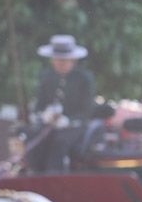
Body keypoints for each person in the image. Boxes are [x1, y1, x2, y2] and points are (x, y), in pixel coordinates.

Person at [29, 34, 96, 172]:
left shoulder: (84, 78)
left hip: (75, 126)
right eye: (57, 60)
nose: (60, 63)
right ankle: (35, 174)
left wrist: (68, 120)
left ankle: (55, 176)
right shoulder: (47, 77)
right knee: (33, 137)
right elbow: (39, 104)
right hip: (49, 124)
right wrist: (44, 115)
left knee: (60, 142)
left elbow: (87, 110)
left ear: (72, 60)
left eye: (64, 60)